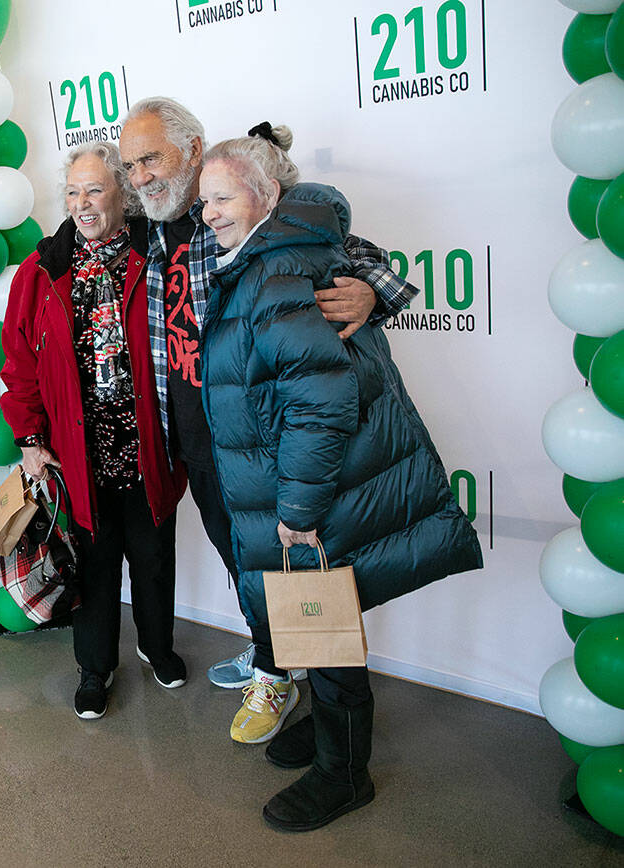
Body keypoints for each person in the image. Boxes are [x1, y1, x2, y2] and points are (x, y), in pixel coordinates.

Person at [195, 127, 482, 831]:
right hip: (313, 485)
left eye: (223, 197)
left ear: (266, 196)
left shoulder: (276, 271)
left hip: (312, 495)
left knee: (321, 625)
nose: (209, 215)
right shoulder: (271, 255)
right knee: (321, 623)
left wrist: (295, 505)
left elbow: (321, 404)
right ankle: (332, 733)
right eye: (204, 202)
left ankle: (344, 774)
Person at [117, 98, 422, 733]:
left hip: (254, 438)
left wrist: (370, 292)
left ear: (194, 151)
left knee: (288, 567)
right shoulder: (146, 226)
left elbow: (352, 253)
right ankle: (273, 657)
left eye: (151, 158)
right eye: (131, 165)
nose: (140, 175)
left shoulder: (238, 205)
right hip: (195, 438)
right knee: (241, 562)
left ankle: (283, 680)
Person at [1, 142, 185, 720]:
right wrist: (30, 441)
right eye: (73, 191)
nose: (82, 203)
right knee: (94, 565)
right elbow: (19, 366)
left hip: (145, 444)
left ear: (121, 196)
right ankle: (94, 669)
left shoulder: (154, 253)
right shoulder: (40, 270)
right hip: (76, 453)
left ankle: (157, 648)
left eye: (95, 190)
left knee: (153, 556)